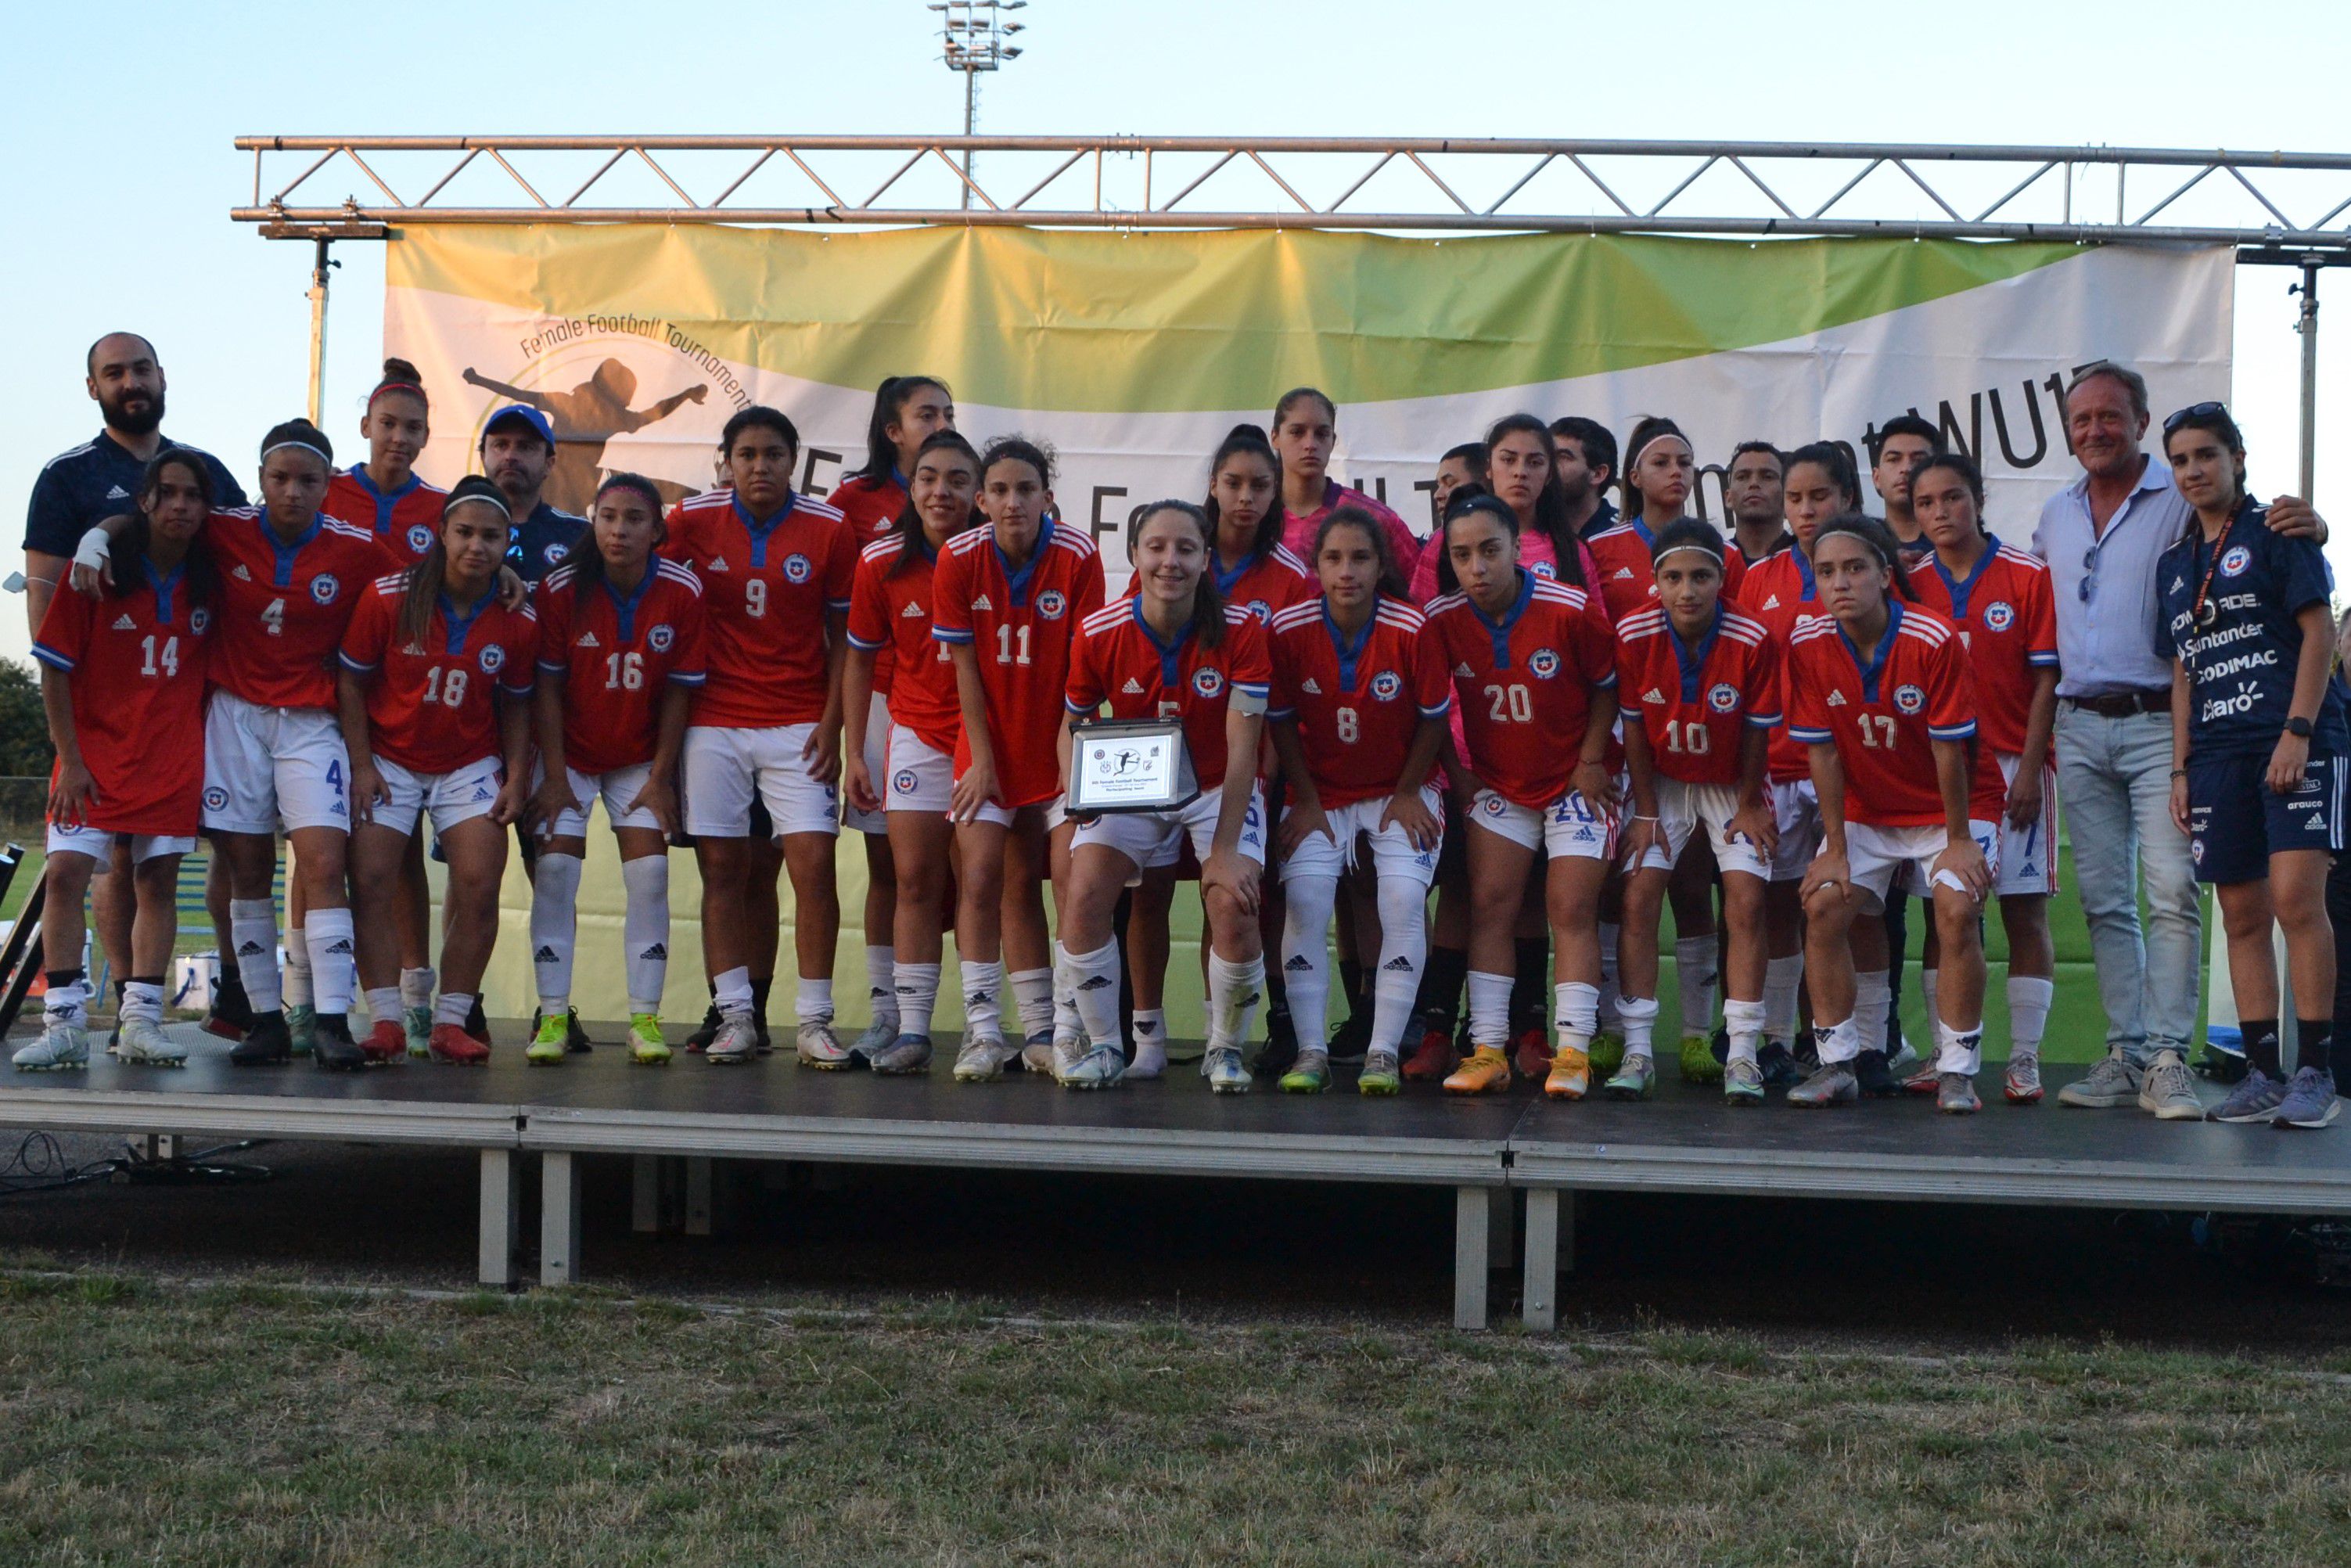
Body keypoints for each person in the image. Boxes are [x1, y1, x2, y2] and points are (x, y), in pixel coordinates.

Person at [2034, 361, 2326, 1107]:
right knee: (2106, 901)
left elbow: (2280, 550)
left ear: (2138, 423)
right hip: (2090, 725)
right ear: (2067, 433)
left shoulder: (2182, 500)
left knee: (2174, 894)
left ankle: (2172, 1056)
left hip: (2166, 726)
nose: (2094, 430)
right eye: (2080, 420)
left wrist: (2313, 525)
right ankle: (2127, 1053)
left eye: (2110, 416)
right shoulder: (2056, 515)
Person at [68, 420, 398, 1068]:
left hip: (310, 722)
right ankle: (266, 1021)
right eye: (280, 478)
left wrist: (502, 581)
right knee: (249, 870)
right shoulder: (225, 526)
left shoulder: (359, 549)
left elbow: (421, 587)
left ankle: (332, 1022)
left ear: (328, 486)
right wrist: (92, 539)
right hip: (234, 718)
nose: (293, 492)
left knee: (325, 865)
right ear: (260, 480)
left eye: (308, 481)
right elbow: (141, 519)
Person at [24, 333, 243, 1044]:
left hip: (174, 729)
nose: (130, 381)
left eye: (141, 368)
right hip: (99, 716)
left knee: (164, 869)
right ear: (93, 387)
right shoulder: (66, 476)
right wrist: (71, 732)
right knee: (85, 870)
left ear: (162, 376)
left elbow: (244, 544)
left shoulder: (207, 472)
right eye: (114, 372)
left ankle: (149, 1013)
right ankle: (82, 1016)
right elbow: (51, 614)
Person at [2160, 404, 2342, 1129]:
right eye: (2179, 460)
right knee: (2239, 913)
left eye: (2206, 455)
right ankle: (2261, 1072)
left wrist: (2297, 730)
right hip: (2215, 755)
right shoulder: (2176, 565)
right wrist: (2179, 769)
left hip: (2294, 739)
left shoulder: (2277, 531)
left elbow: (2318, 628)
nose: (2193, 470)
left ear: (2237, 458)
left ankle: (2316, 1071)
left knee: (2297, 900)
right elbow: (2183, 670)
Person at [1784, 514, 2001, 1113]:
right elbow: (1821, 751)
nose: (1840, 583)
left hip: (1951, 808)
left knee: (1956, 910)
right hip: (1869, 808)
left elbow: (1948, 748)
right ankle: (1836, 1064)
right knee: (1823, 905)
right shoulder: (1806, 643)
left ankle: (1956, 1069)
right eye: (1825, 572)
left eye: (1854, 568)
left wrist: (1958, 839)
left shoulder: (1932, 639)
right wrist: (1831, 846)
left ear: (1883, 574)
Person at [1056, 500, 1272, 1091]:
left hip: (1214, 785)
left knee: (1233, 899)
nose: (1169, 561)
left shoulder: (1242, 630)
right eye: (1155, 547)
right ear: (1133, 555)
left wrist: (1225, 850)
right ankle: (1106, 1046)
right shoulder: (1098, 631)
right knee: (1084, 894)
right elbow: (1070, 723)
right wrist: (1081, 798)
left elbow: (1242, 751)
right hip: (1134, 784)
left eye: (1184, 549)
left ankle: (1224, 1050)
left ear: (1205, 559)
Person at [665, 407, 855, 1064]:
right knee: (721, 870)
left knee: (813, 867)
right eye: (746, 454)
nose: (759, 466)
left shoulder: (829, 527)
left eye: (773, 454)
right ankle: (736, 1017)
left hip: (798, 720)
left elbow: (844, 640)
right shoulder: (690, 521)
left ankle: (814, 1021)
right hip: (713, 719)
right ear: (726, 461)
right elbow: (622, 560)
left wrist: (833, 724)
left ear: (793, 461)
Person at [16, 453, 217, 1070]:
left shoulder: (214, 579)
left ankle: (140, 1022)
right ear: (145, 502)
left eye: (193, 495)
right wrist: (69, 758)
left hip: (170, 757)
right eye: (168, 493)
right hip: (94, 757)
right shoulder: (95, 576)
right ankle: (65, 1023)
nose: (181, 505)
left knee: (157, 883)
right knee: (66, 873)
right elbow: (54, 666)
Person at [1425, 491, 1619, 1098]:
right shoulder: (1441, 620)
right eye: (1462, 556)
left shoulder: (1570, 609)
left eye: (1489, 550)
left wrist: (1590, 761)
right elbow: (1430, 713)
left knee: (1569, 909)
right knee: (1490, 905)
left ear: (1516, 547)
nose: (1476, 567)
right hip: (1500, 786)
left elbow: (1610, 688)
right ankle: (1487, 1049)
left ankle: (1572, 1052)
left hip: (1572, 783)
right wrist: (1460, 780)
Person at [339, 477, 538, 1064]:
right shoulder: (389, 596)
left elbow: (519, 701)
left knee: (479, 882)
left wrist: (518, 776)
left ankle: (451, 1020)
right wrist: (361, 765)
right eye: (465, 532)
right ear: (442, 535)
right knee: (371, 883)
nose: (476, 546)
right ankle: (385, 1020)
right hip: (390, 757)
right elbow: (350, 680)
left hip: (466, 762)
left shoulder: (517, 617)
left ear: (508, 543)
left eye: (491, 536)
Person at [933, 437, 1106, 1080]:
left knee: (1070, 881)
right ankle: (982, 1031)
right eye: (999, 491)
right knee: (979, 876)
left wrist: (1068, 747)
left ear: (1047, 497)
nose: (1013, 502)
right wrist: (981, 761)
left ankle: (1059, 1031)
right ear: (981, 501)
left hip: (1060, 741)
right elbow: (964, 671)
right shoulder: (957, 557)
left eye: (1025, 489)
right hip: (987, 743)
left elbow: (1083, 672)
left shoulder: (1078, 554)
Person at [1266, 505, 1450, 1094]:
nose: (1346, 571)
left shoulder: (1411, 626)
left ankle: (1382, 1053)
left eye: (1360, 558)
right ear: (1315, 566)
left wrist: (1407, 791)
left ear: (1381, 566)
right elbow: (1281, 721)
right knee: (1308, 900)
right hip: (1320, 794)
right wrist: (1307, 800)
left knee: (1400, 898)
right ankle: (1311, 1052)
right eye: (1333, 558)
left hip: (1399, 788)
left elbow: (1433, 719)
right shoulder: (1289, 629)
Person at [528, 473, 705, 1066]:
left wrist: (662, 777)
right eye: (608, 517)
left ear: (657, 530)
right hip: (568, 758)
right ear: (592, 521)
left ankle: (644, 1021)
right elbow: (546, 690)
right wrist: (553, 776)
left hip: (637, 758)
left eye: (633, 520)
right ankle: (552, 1016)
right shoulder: (559, 588)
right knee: (554, 870)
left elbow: (680, 694)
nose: (619, 530)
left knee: (651, 874)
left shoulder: (681, 590)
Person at [1738, 444, 1900, 1091]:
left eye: (1819, 497)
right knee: (1780, 904)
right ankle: (1777, 1039)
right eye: (1795, 498)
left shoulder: (1862, 571)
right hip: (1778, 766)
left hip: (1849, 769)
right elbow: (1745, 677)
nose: (1804, 511)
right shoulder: (1759, 576)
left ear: (1847, 499)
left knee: (1856, 910)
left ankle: (1870, 1047)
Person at [1586, 415, 1742, 1081]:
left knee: (1690, 886)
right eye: (1660, 461)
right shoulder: (1602, 548)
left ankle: (1697, 1037)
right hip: (1629, 747)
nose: (1675, 472)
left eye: (1685, 460)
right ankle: (1613, 1030)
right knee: (1618, 891)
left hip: (1700, 750)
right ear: (1632, 475)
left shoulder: (1719, 553)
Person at [1904, 451, 2061, 1104]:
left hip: (2013, 766)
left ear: (1978, 498)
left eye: (1952, 497)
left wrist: (2028, 766)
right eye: (1926, 503)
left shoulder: (2026, 575)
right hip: (1939, 773)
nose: (1940, 512)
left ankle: (2023, 1058)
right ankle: (1948, 1054)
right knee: (1945, 917)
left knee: (2024, 914)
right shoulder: (1909, 582)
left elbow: (2047, 676)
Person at [1615, 519, 1779, 1102]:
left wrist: (1751, 802)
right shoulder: (1633, 633)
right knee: (1637, 894)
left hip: (1730, 782)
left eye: (1701, 576)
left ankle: (1740, 1053)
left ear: (1721, 578)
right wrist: (1644, 809)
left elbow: (1759, 732)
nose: (1687, 590)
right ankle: (1637, 1050)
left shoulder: (1752, 637)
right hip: (1662, 780)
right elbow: (1633, 729)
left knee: (1747, 900)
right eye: (1674, 577)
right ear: (1655, 581)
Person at [318, 360, 449, 1057]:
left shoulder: (440, 507)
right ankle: (318, 1001)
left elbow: (473, 571)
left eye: (413, 429)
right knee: (321, 856)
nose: (399, 438)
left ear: (427, 437)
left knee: (399, 862)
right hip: (322, 694)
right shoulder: (325, 488)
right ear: (365, 426)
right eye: (389, 425)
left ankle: (413, 1001)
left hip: (401, 701)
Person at [844, 430, 983, 1074]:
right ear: (911, 486)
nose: (941, 491)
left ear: (977, 491)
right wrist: (854, 753)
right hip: (915, 735)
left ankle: (988, 1031)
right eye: (929, 477)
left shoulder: (996, 554)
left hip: (986, 742)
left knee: (981, 883)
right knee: (912, 881)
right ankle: (912, 1031)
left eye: (957, 479)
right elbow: (859, 660)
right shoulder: (879, 561)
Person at [829, 376, 956, 1060]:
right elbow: (848, 623)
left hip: (964, 710)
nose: (939, 422)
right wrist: (847, 735)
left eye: (948, 414)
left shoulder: (975, 505)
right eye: (925, 413)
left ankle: (984, 1026)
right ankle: (889, 1014)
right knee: (894, 869)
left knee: (975, 871)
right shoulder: (853, 503)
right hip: (887, 705)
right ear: (892, 429)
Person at [480, 401, 593, 1051]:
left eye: (526, 446)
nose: (511, 456)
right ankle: (455, 1006)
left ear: (551, 461)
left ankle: (556, 1006)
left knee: (548, 867)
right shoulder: (458, 528)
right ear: (483, 454)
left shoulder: (579, 535)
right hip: (468, 727)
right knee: (475, 871)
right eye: (500, 444)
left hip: (549, 724)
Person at [461, 359, 708, 514]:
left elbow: (518, 393)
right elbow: (654, 413)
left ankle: (700, 497)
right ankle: (700, 497)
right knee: (641, 488)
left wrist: (478, 380)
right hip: (554, 479)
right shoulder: (599, 411)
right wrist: (478, 379)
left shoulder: (571, 403)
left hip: (579, 482)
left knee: (639, 488)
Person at [1270, 387, 1421, 569]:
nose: (1310, 444)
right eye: (1297, 432)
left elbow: (1420, 590)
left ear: (1332, 441)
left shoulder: (1375, 518)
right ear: (1275, 437)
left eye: (1321, 434)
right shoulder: (1255, 516)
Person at [1866, 414, 1943, 556]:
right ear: (1876, 478)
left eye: (1919, 460)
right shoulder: (1860, 546)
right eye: (1894, 459)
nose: (1906, 468)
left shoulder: (1957, 545)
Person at [1548, 416, 1619, 539]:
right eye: (1545, 455)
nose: (1548, 465)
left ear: (1598, 474)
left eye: (1563, 457)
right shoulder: (1525, 527)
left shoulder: (1623, 534)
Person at [1724, 441, 1790, 566]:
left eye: (1768, 477)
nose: (1754, 483)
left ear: (1787, 494)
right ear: (1729, 497)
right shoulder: (1713, 562)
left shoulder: (1807, 560)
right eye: (1742, 477)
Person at [1429, 442, 1485, 533]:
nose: (1437, 495)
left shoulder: (1509, 541)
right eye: (1438, 485)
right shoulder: (1433, 543)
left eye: (1449, 483)